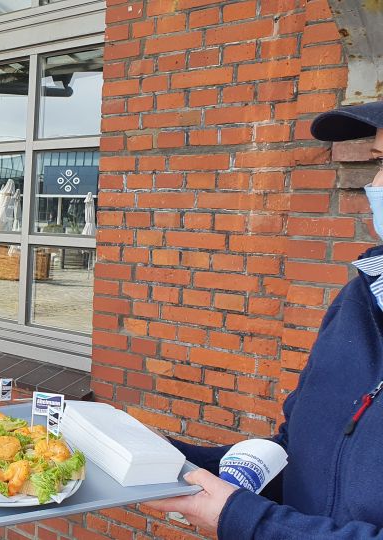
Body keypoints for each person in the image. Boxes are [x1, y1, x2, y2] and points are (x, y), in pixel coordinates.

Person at [147, 100, 383, 538]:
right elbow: (300, 456)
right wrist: (169, 462)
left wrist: (243, 520)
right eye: (377, 162)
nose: (375, 183)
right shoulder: (360, 298)